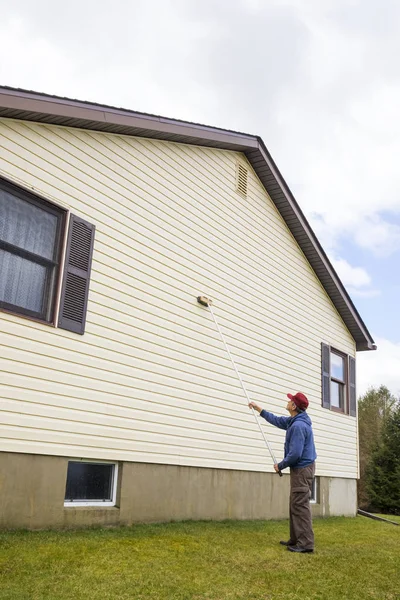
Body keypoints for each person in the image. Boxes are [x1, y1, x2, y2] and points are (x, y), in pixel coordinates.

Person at [249, 392, 317, 554]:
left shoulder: (299, 426)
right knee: (295, 504)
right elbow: (278, 421)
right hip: (300, 469)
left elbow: (295, 454)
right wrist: (260, 410)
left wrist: (280, 465)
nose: (287, 401)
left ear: (294, 406)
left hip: (302, 469)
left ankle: (306, 543)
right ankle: (296, 539)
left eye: (290, 400)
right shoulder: (295, 421)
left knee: (300, 505)